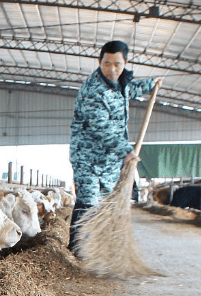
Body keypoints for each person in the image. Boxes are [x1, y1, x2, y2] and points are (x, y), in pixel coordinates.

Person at [68, 40, 163, 254]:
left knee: (103, 203)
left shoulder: (120, 83)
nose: (112, 69)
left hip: (108, 159)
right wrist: (126, 151)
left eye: (117, 64)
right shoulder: (94, 90)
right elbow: (101, 128)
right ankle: (77, 250)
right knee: (88, 200)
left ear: (125, 63)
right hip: (87, 157)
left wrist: (152, 83)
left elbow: (130, 90)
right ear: (99, 61)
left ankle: (94, 247)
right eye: (107, 64)